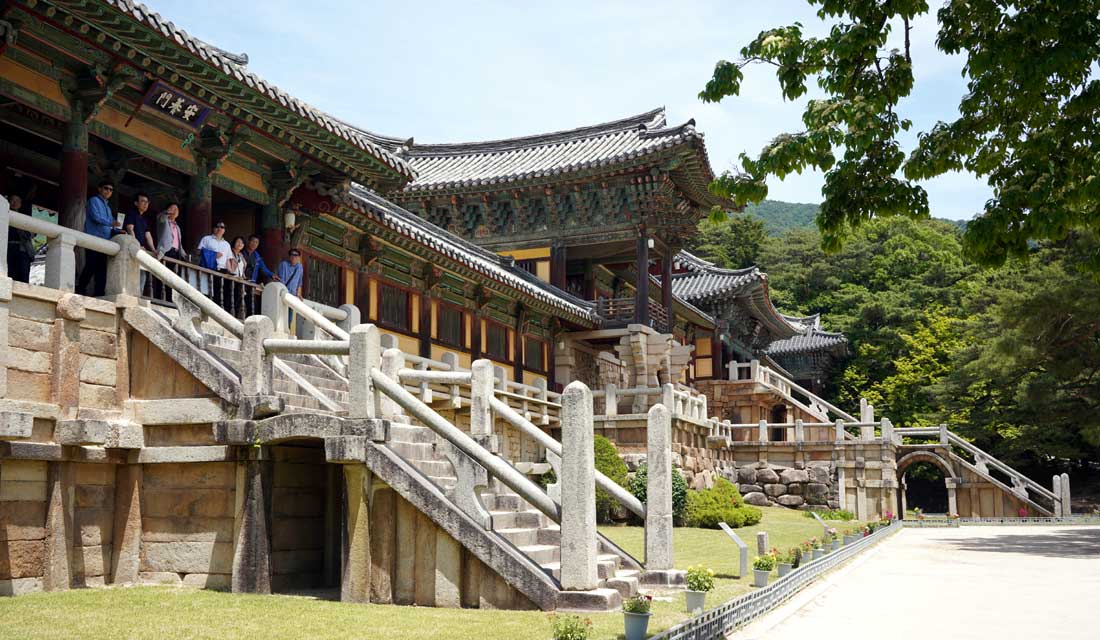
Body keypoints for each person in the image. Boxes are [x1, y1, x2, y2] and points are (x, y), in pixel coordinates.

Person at [76, 181, 121, 297]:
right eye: (106, 188)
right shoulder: (93, 201)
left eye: (111, 190)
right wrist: (112, 223)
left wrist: (118, 231)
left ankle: (99, 293)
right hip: (93, 239)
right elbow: (96, 217)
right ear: (99, 189)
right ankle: (80, 288)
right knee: (91, 265)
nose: (108, 191)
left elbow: (110, 226)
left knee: (101, 269)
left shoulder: (108, 208)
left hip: (104, 242)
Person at [153, 203, 187, 301]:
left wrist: (185, 256)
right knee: (162, 276)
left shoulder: (177, 227)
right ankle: (159, 298)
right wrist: (167, 212)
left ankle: (170, 300)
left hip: (176, 254)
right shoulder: (163, 221)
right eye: (172, 208)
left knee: (172, 278)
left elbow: (179, 244)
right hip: (165, 251)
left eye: (177, 208)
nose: (175, 210)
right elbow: (160, 217)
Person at [123, 192, 155, 295]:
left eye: (147, 202)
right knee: (132, 273)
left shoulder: (144, 218)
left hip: (140, 249)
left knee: (142, 275)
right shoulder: (132, 213)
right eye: (142, 201)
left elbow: (148, 235)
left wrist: (153, 250)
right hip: (132, 248)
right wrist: (136, 244)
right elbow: (130, 229)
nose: (145, 204)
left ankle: (138, 296)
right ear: (136, 203)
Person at [197, 221, 232, 309]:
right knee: (207, 291)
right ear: (214, 228)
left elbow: (227, 260)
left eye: (222, 227)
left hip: (222, 270)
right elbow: (198, 252)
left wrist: (230, 271)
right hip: (209, 268)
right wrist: (213, 254)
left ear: (224, 230)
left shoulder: (227, 244)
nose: (220, 228)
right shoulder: (206, 239)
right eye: (218, 226)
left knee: (220, 293)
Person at [241, 235, 278, 316]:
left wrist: (272, 275)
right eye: (253, 241)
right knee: (238, 301)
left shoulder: (257, 257)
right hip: (240, 280)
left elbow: (264, 268)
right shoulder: (241, 252)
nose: (254, 244)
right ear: (248, 241)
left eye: (256, 242)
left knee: (250, 304)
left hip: (251, 283)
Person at [6, 194, 34, 283]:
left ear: (20, 204)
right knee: (10, 275)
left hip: (23, 248)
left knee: (23, 275)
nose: (14, 203)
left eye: (17, 201)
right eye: (12, 200)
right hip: (8, 248)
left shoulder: (25, 217)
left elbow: (33, 233)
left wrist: (22, 229)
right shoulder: (4, 214)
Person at [277, 249, 304, 327]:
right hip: (283, 293)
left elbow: (300, 282)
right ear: (289, 256)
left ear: (298, 257)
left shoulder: (300, 267)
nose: (294, 257)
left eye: (296, 256)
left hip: (293, 295)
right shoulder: (283, 264)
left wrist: (298, 293)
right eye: (292, 255)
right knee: (281, 315)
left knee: (290, 317)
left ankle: (287, 331)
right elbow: (280, 280)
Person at [226, 236, 247, 317]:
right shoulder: (229, 252)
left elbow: (242, 268)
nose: (240, 244)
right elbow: (227, 266)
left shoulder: (241, 255)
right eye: (238, 242)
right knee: (230, 298)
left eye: (242, 243)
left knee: (238, 299)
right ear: (234, 243)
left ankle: (234, 316)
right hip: (231, 279)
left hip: (239, 280)